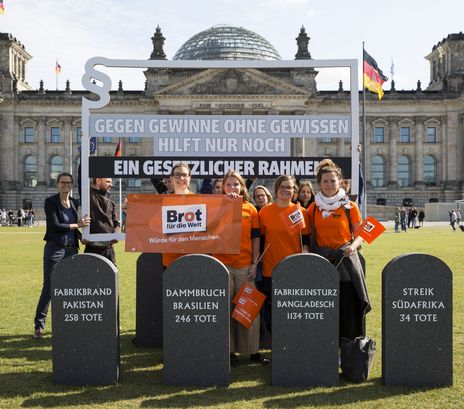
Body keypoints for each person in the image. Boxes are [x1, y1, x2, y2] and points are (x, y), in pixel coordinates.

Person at [307, 159, 370, 346]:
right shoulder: (313, 208)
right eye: (325, 181)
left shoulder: (350, 206)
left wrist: (353, 245)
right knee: (326, 308)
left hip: (346, 263)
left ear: (340, 182)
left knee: (348, 309)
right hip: (323, 263)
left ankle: (350, 347)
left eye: (333, 181)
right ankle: (327, 347)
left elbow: (361, 234)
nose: (329, 185)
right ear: (319, 184)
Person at [213, 171, 268, 366]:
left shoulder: (250, 209)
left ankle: (252, 351)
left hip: (245, 266)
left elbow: (256, 238)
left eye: (236, 184)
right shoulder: (216, 207)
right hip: (222, 265)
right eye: (229, 184)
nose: (233, 188)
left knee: (248, 310)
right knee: (225, 310)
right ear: (223, 187)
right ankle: (229, 352)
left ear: (242, 187)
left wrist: (254, 262)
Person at [33, 172, 90, 339]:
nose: (66, 185)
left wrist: (81, 236)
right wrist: (77, 224)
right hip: (55, 250)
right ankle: (39, 326)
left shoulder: (73, 202)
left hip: (72, 250)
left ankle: (68, 323)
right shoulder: (50, 202)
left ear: (72, 185)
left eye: (69, 183)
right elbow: (55, 226)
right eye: (63, 182)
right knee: (49, 289)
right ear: (57, 184)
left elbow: (74, 228)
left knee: (71, 289)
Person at [259, 175, 310, 336]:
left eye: (289, 187)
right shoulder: (265, 212)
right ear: (276, 190)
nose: (286, 190)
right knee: (274, 309)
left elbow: (306, 239)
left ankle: (293, 340)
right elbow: (260, 240)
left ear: (294, 191)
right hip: (270, 268)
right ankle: (277, 343)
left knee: (292, 308)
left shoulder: (301, 212)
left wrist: (305, 251)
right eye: (283, 187)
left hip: (294, 268)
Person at [162, 163, 192, 269]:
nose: (181, 178)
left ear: (189, 177)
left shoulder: (201, 201)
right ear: (171, 178)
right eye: (177, 175)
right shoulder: (163, 202)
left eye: (184, 174)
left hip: (194, 260)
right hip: (170, 261)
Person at [84, 178, 120, 264]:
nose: (111, 184)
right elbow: (82, 178)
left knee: (111, 277)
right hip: (93, 250)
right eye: (107, 182)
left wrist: (116, 234)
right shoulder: (89, 196)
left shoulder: (111, 203)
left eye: (111, 182)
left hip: (109, 250)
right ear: (98, 181)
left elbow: (116, 223)